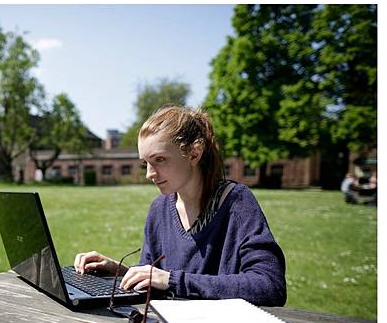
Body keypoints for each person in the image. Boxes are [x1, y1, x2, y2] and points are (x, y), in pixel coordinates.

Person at [74, 106, 286, 306]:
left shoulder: (236, 203)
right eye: (145, 163)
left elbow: (270, 285)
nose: (149, 174)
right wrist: (119, 271)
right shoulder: (159, 209)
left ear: (194, 153)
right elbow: (155, 276)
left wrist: (174, 281)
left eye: (160, 159)